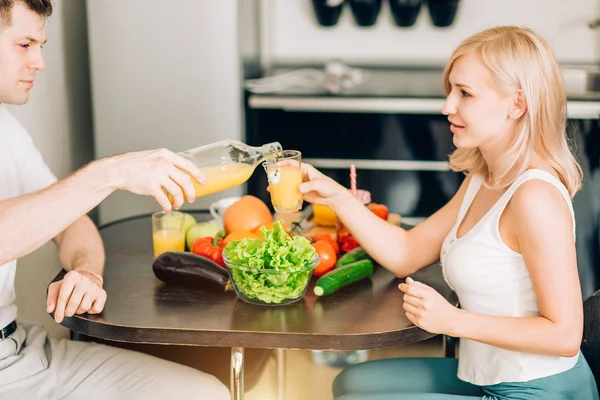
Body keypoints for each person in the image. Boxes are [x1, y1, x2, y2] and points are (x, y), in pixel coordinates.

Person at [298, 26, 600, 399]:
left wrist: (453, 321)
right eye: (451, 90)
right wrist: (335, 195)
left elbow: (565, 335)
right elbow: (407, 253)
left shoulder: (534, 196)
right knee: (350, 384)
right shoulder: (484, 176)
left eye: (465, 94)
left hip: (536, 390)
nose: (447, 107)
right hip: (487, 377)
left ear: (517, 104)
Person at [0, 1, 229, 399]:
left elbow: (74, 222)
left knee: (204, 393)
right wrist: (109, 173)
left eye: (42, 45)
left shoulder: (8, 131)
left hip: (21, 353)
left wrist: (86, 271)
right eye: (24, 44)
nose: (40, 61)